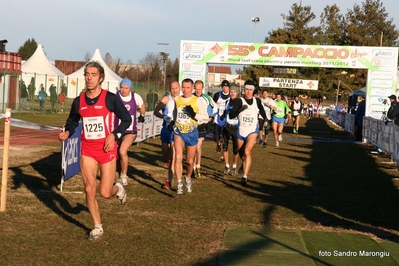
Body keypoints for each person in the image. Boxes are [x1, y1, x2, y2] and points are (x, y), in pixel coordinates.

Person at [58, 61, 132, 240]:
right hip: (88, 150)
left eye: (93, 75)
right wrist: (68, 131)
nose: (89, 78)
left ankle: (119, 188)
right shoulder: (79, 101)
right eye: (86, 74)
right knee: (89, 189)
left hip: (107, 150)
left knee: (105, 193)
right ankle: (97, 227)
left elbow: (126, 119)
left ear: (101, 78)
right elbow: (73, 120)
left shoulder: (110, 99)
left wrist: (114, 134)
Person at [173, 78, 208, 194]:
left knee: (189, 161)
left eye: (188, 88)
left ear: (192, 88)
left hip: (192, 133)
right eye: (183, 87)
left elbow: (205, 117)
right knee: (178, 157)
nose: (185, 90)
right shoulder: (177, 99)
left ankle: (187, 177)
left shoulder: (197, 101)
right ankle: (179, 184)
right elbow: (174, 113)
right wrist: (171, 122)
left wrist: (194, 114)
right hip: (179, 132)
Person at [229, 80, 266, 186]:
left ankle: (244, 177)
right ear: (244, 90)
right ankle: (244, 163)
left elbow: (262, 112)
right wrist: (239, 110)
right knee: (242, 155)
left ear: (253, 90)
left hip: (252, 131)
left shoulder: (257, 101)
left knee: (247, 152)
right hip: (241, 131)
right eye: (247, 90)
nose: (249, 92)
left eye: (251, 90)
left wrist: (266, 121)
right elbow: (231, 115)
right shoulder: (239, 101)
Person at [115, 78, 146, 187]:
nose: (123, 90)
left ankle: (124, 176)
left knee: (123, 151)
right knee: (115, 155)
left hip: (130, 131)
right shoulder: (115, 97)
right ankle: (119, 175)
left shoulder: (135, 97)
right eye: (122, 88)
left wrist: (142, 115)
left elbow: (142, 105)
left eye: (126, 88)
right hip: (117, 130)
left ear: (130, 88)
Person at [154, 81, 181, 189]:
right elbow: (156, 111)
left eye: (176, 88)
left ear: (179, 88)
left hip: (177, 130)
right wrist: (164, 117)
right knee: (165, 157)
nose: (174, 90)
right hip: (166, 129)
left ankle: (168, 181)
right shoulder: (167, 98)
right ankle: (169, 163)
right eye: (172, 88)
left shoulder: (182, 99)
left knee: (174, 155)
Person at [193, 80, 215, 178]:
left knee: (198, 146)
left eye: (199, 89)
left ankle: (198, 166)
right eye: (196, 89)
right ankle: (193, 167)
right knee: (192, 147)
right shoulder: (190, 97)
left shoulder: (207, 98)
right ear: (194, 88)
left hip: (202, 124)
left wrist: (211, 116)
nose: (198, 91)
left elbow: (215, 107)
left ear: (202, 88)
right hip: (192, 124)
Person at [221, 86, 240, 175]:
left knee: (235, 149)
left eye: (234, 92)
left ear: (237, 93)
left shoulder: (239, 102)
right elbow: (225, 111)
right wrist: (222, 115)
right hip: (227, 127)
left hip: (236, 127)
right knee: (224, 147)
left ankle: (234, 167)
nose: (232, 93)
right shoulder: (227, 101)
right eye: (231, 92)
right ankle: (227, 166)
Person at [213, 80, 230, 161]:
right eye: (224, 86)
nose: (225, 88)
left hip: (227, 120)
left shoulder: (231, 96)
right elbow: (212, 105)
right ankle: (218, 143)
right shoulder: (217, 95)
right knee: (216, 137)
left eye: (226, 87)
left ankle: (223, 156)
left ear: (229, 88)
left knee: (225, 139)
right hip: (217, 119)